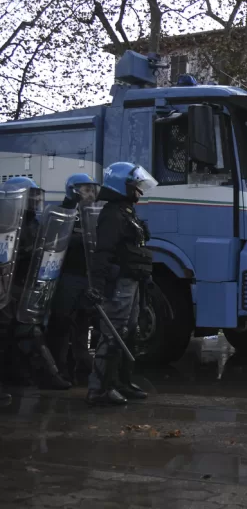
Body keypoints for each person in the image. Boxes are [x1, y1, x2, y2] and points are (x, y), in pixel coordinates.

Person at [86, 162, 158, 406]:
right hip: (118, 284)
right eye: (134, 186)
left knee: (129, 332)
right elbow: (103, 252)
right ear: (121, 186)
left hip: (132, 281)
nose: (139, 190)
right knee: (112, 335)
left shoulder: (126, 211)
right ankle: (99, 390)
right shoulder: (112, 214)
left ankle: (121, 383)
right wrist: (97, 285)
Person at [1, 177, 73, 390]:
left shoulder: (34, 221)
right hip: (7, 285)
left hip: (25, 283)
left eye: (36, 195)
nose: (34, 199)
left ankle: (19, 374)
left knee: (26, 330)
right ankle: (44, 376)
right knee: (11, 332)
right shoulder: (6, 220)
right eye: (30, 194)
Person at [46, 174, 98, 385]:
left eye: (92, 189)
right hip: (67, 276)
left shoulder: (91, 213)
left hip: (86, 276)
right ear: (73, 190)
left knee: (83, 323)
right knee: (61, 324)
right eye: (86, 189)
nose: (91, 194)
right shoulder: (61, 212)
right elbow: (53, 242)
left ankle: (83, 368)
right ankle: (58, 370)